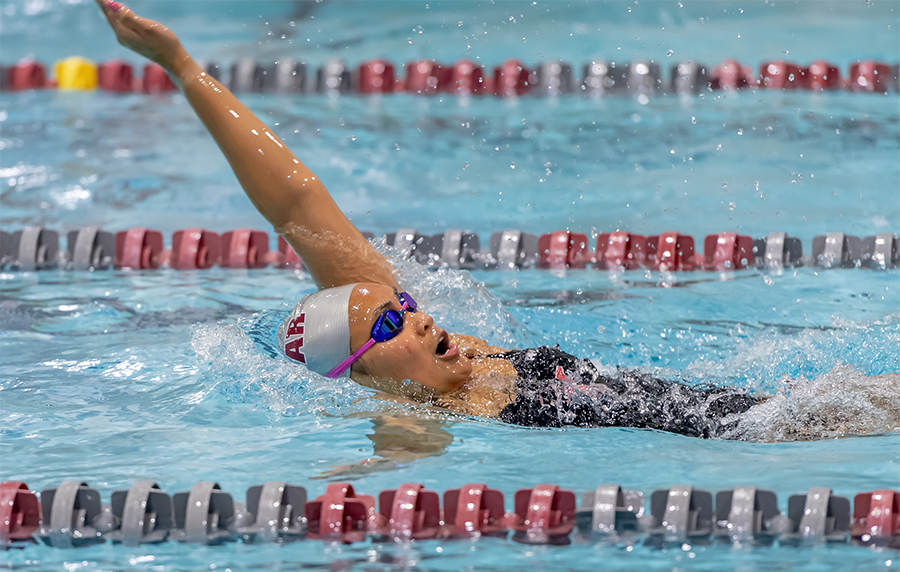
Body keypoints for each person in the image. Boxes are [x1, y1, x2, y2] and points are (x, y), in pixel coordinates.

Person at [94, 0, 772, 439]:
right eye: (390, 324)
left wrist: (179, 65)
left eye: (404, 305)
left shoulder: (409, 355)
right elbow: (393, 481)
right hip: (739, 435)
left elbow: (295, 200)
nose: (417, 316)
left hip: (728, 405)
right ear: (361, 373)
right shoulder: (411, 414)